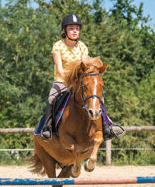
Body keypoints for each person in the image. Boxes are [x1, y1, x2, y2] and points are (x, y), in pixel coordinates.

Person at [40, 13, 125, 141]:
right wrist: (68, 81)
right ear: (64, 30)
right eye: (71, 28)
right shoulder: (58, 46)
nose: (75, 31)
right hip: (61, 81)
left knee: (98, 97)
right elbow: (59, 68)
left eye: (77, 29)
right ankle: (47, 128)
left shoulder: (82, 47)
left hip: (79, 83)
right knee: (51, 98)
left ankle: (107, 128)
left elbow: (86, 66)